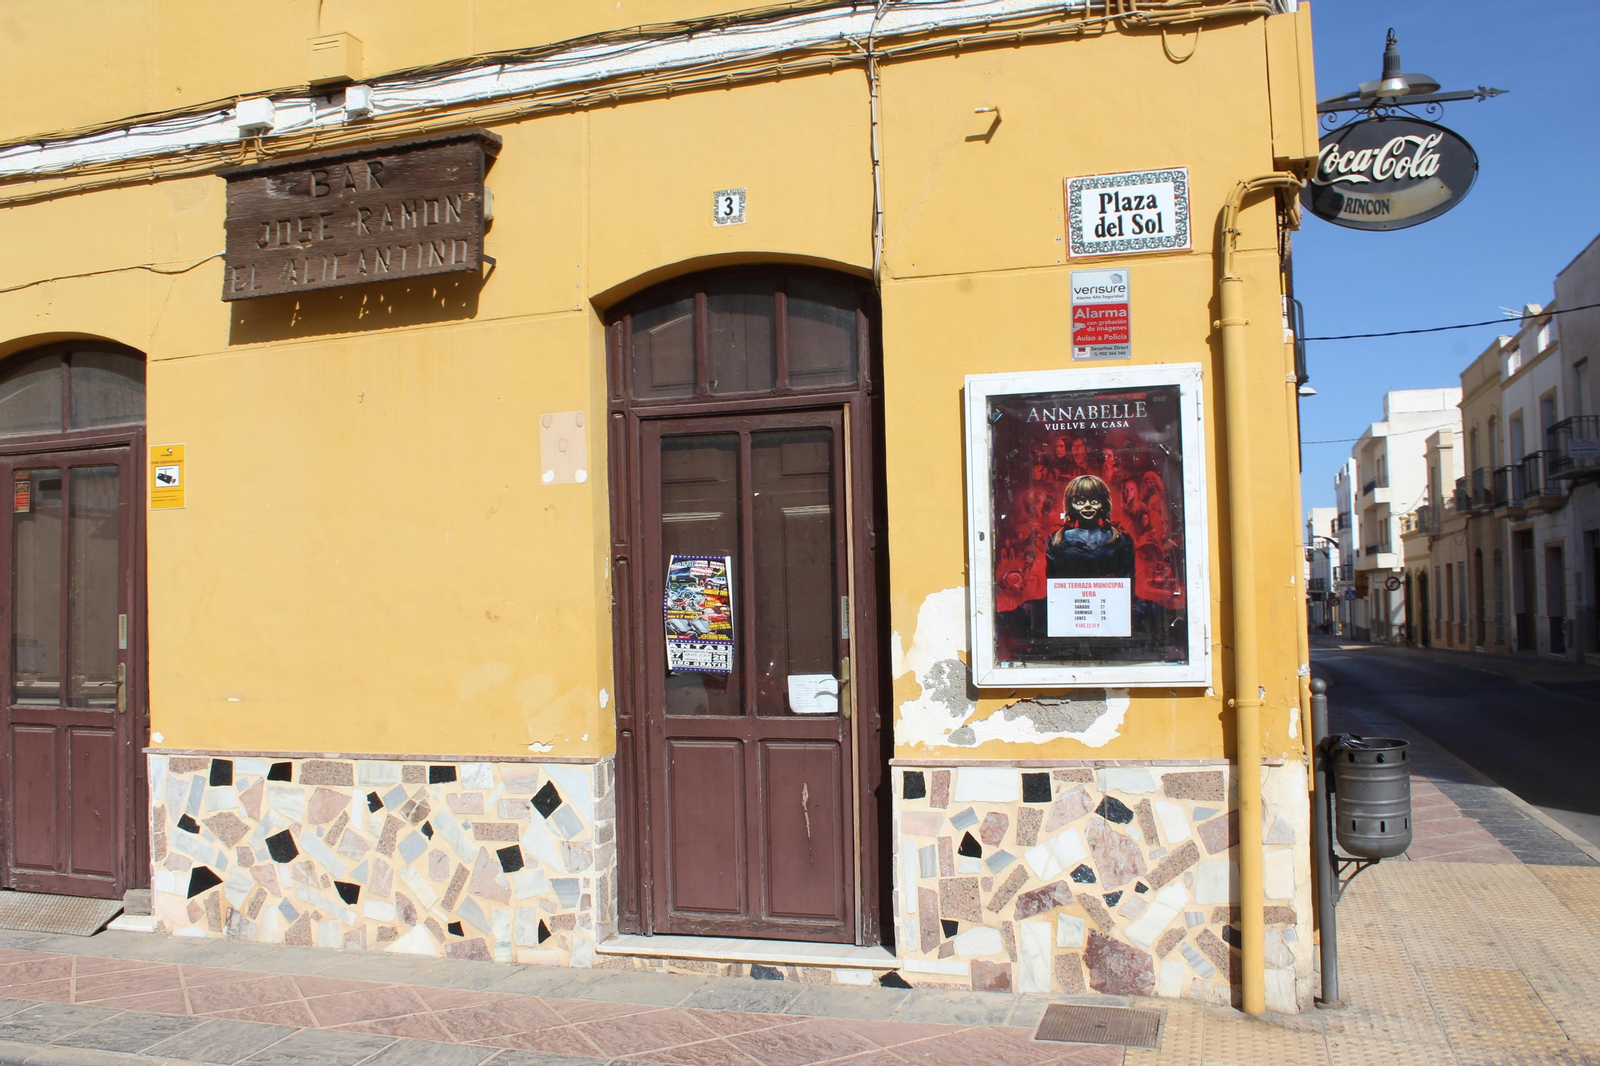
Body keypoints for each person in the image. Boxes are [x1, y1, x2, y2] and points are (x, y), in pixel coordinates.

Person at [1046, 475, 1134, 579]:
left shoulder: (1121, 539)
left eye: (1094, 501)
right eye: (1080, 502)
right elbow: (1053, 584)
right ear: (1070, 506)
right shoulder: (1057, 540)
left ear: (1104, 505)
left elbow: (1127, 582)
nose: (1087, 506)